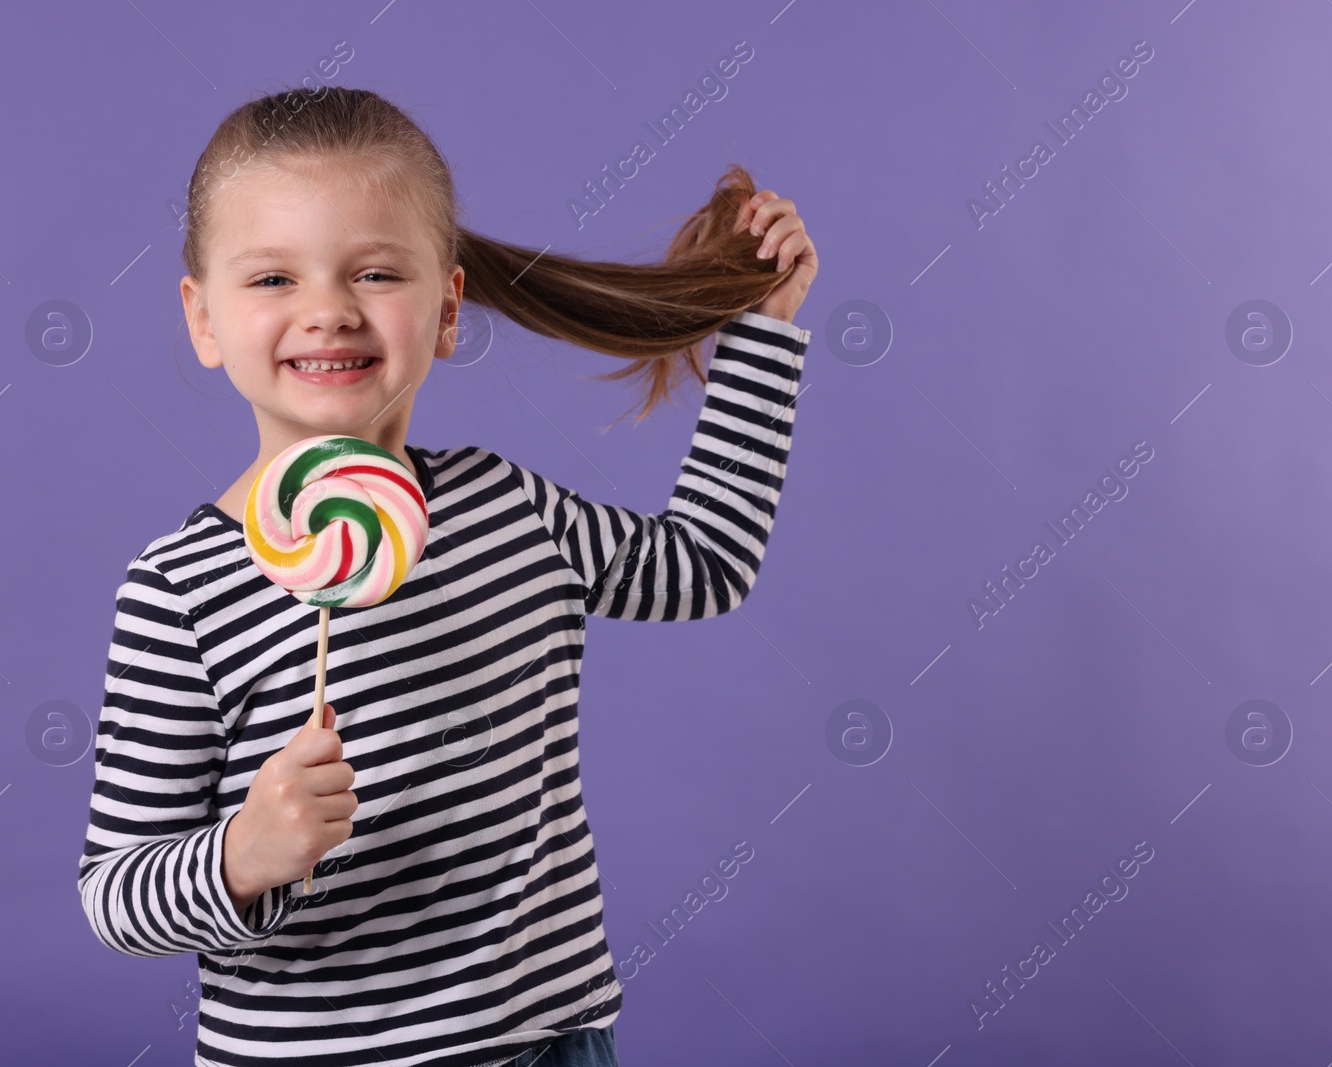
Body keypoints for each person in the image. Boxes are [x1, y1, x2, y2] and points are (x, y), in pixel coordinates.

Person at [76, 85, 817, 1067]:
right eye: (271, 280)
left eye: (375, 271)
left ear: (447, 308)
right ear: (203, 317)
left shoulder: (507, 509)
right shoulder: (179, 588)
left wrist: (762, 333)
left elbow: (704, 563)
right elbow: (115, 892)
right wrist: (243, 854)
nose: (328, 310)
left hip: (551, 1042)